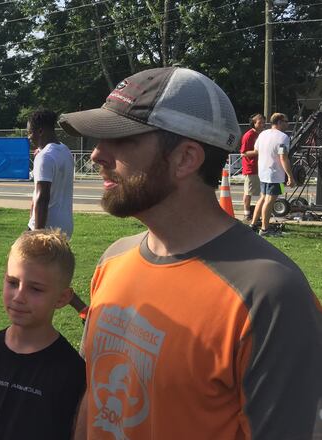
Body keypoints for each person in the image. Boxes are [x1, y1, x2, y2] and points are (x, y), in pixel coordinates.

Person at [59, 67, 322, 440]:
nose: (97, 154)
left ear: (186, 158)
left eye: (121, 139)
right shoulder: (112, 262)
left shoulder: (271, 296)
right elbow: (95, 393)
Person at [0, 229, 86, 440]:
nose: (19, 297)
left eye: (36, 289)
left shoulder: (72, 370)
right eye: (13, 283)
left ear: (62, 298)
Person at [26, 109, 74, 238]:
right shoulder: (65, 151)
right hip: (64, 226)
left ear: (40, 131)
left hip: (46, 228)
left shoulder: (45, 157)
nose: (29, 137)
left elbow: (42, 198)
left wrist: (38, 233)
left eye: (30, 132)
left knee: (20, 257)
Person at [249, 112, 295, 237]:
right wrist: (290, 176)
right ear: (279, 122)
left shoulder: (263, 134)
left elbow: (256, 150)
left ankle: (253, 225)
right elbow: (283, 158)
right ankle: (264, 229)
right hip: (274, 174)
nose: (288, 124)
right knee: (269, 200)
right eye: (286, 121)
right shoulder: (283, 137)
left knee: (263, 198)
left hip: (263, 172)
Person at [239, 113, 264, 220]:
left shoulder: (262, 134)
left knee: (264, 192)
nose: (263, 124)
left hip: (262, 168)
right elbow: (243, 153)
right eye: (260, 122)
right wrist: (258, 152)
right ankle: (247, 213)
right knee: (248, 192)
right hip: (251, 168)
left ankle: (262, 212)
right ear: (253, 124)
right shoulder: (248, 135)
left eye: (263, 122)